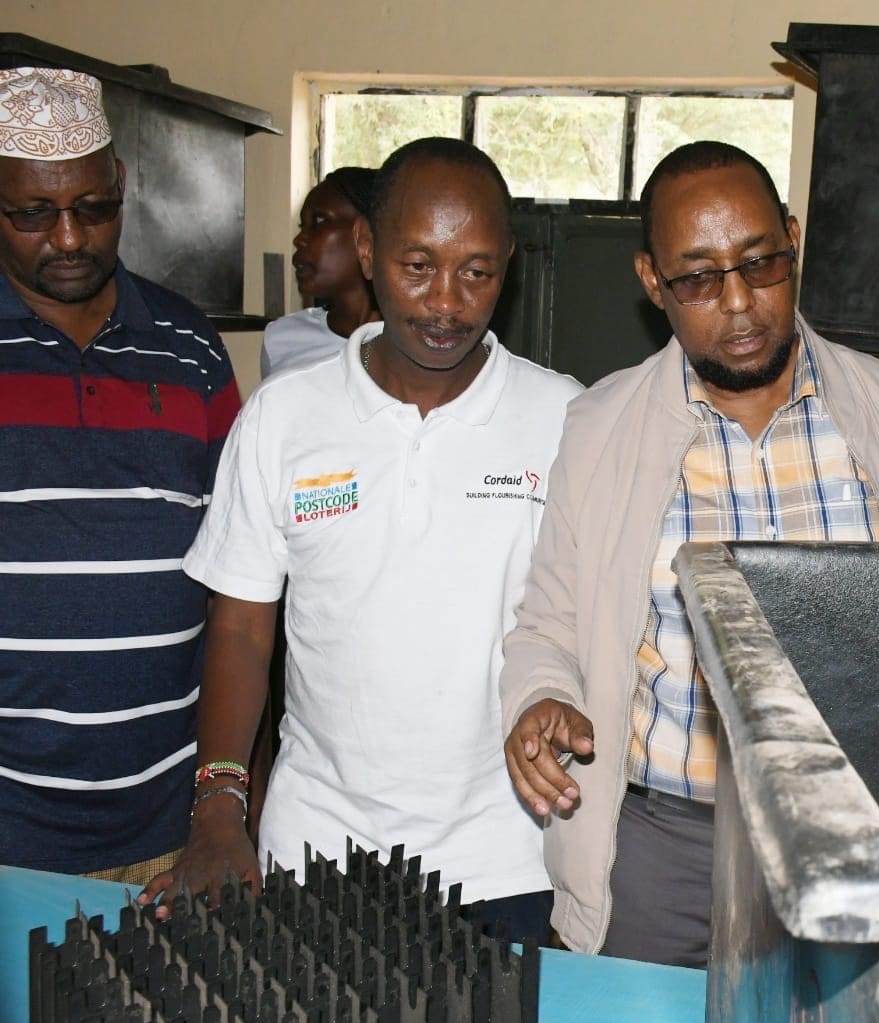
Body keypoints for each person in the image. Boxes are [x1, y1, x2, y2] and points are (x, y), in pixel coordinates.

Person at [499, 141, 879, 967]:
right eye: (700, 279)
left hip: (852, 834)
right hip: (662, 846)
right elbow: (548, 624)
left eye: (762, 264)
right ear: (652, 281)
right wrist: (543, 697)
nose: (741, 303)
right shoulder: (602, 428)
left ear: (793, 240)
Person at [138, 138, 580, 941]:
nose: (447, 301)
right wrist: (218, 808)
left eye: (477, 271)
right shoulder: (284, 417)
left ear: (508, 265)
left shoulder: (562, 419)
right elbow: (240, 628)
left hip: (509, 858)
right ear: (369, 252)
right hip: (317, 852)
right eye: (419, 266)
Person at [0, 68, 241, 880]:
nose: (69, 238)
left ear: (122, 188)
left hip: (165, 834)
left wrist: (223, 804)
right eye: (33, 213)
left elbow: (241, 588)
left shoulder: (192, 349)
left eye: (93, 209)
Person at [259, 167, 381, 379]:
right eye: (302, 225)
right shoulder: (281, 339)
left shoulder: (415, 347)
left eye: (320, 221)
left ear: (367, 236)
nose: (299, 239)